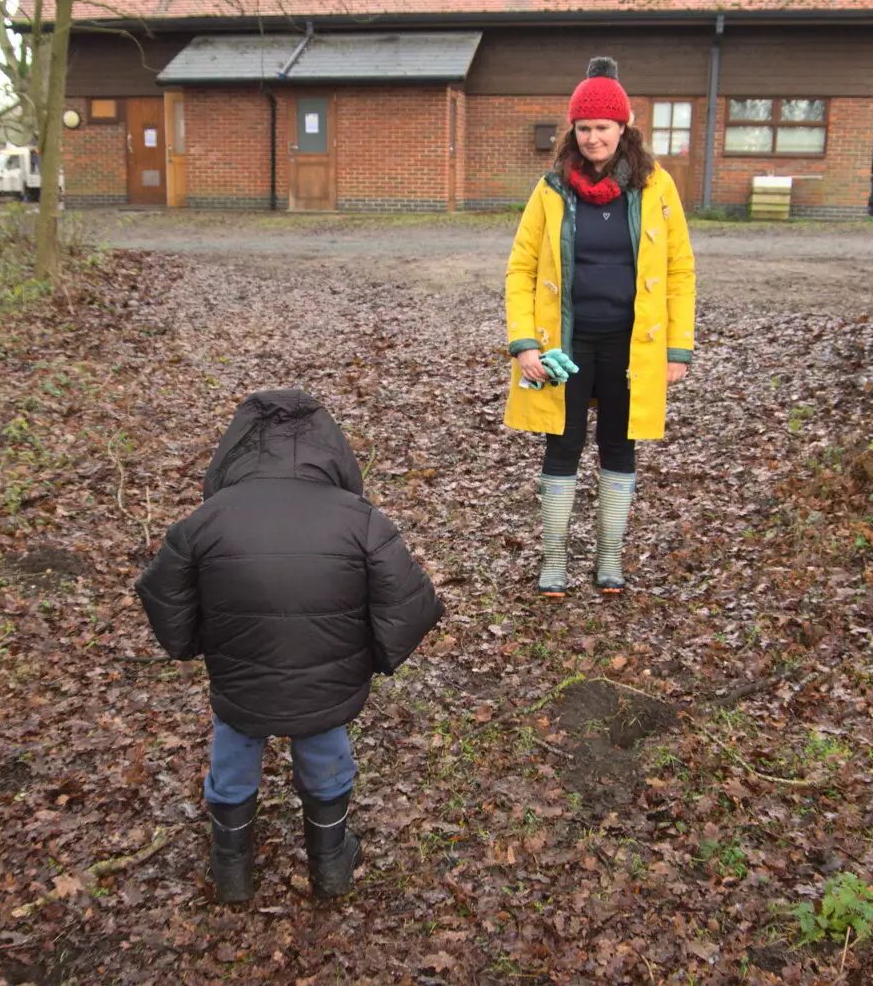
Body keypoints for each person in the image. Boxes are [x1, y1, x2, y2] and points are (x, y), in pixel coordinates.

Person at [135, 389, 444, 904]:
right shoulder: (359, 518)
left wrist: (193, 643)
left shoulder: (205, 522)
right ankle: (331, 864)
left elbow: (161, 592)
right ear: (331, 448)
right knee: (324, 746)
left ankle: (230, 871)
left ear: (235, 449)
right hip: (324, 684)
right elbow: (412, 602)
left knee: (234, 747)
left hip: (240, 682)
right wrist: (372, 656)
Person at [503, 57, 697, 600]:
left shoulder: (657, 189)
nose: (592, 138)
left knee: (619, 444)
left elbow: (680, 269)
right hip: (565, 345)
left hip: (631, 345)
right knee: (561, 445)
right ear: (574, 130)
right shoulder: (549, 190)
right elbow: (520, 268)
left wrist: (678, 349)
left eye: (602, 128)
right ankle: (554, 561)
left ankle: (610, 558)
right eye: (583, 128)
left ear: (623, 127)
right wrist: (524, 344)